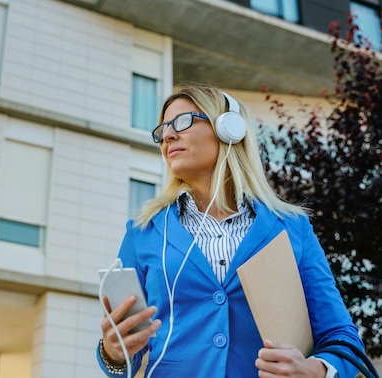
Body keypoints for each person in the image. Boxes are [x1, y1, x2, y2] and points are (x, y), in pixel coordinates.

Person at [96, 83, 365, 377]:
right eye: (162, 130)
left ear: (229, 129)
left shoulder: (291, 228)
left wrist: (314, 370)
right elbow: (125, 354)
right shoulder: (143, 232)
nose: (168, 135)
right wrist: (113, 351)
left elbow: (342, 338)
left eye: (182, 122)